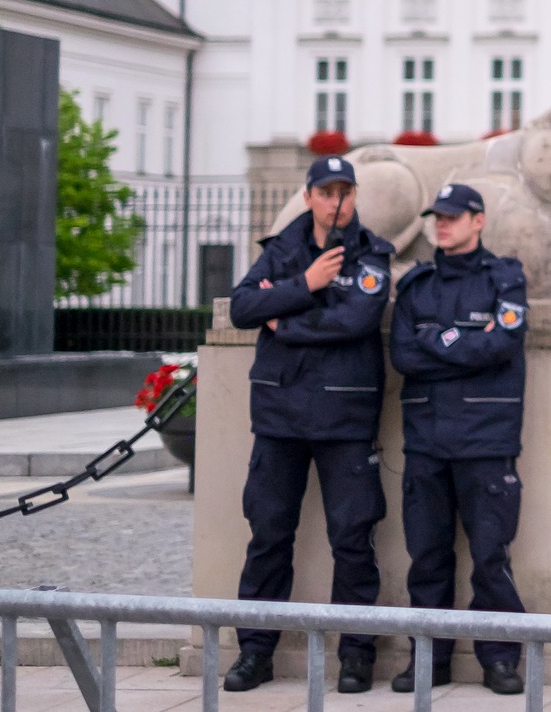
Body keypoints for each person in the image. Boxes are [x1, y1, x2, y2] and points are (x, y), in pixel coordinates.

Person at [223, 155, 393, 694]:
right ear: (310, 196)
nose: (335, 202)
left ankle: (356, 652)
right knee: (269, 534)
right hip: (280, 418)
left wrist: (286, 320)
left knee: (353, 538)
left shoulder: (370, 254)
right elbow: (243, 307)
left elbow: (355, 320)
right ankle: (255, 651)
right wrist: (306, 282)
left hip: (344, 417)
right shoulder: (281, 249)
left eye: (344, 192)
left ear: (355, 197)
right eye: (326, 192)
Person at [388, 183, 530, 695]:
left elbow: (504, 343)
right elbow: (404, 357)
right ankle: (430, 658)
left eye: (452, 217)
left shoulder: (504, 278)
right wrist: (467, 344)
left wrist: (440, 340)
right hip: (426, 440)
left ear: (478, 221)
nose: (441, 225)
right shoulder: (418, 285)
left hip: (487, 441)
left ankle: (499, 660)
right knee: (427, 558)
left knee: (491, 557)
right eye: (436, 218)